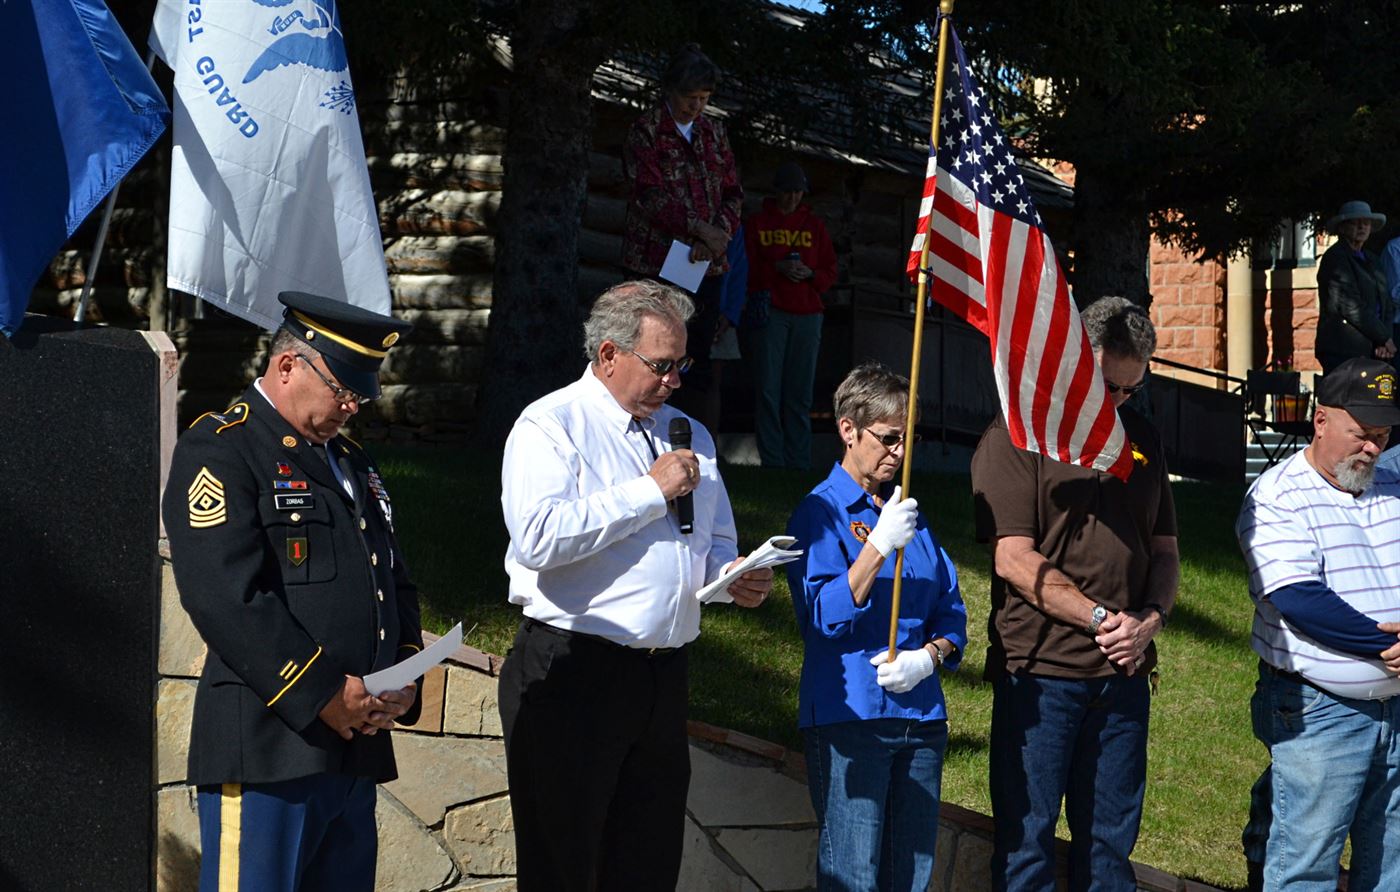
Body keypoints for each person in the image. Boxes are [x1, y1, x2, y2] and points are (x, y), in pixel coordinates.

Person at [496, 279, 775, 890]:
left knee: (645, 867)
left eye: (683, 364)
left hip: (662, 677)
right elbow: (538, 538)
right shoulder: (551, 425)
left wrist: (733, 579)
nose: (675, 380)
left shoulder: (689, 434)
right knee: (563, 868)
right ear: (608, 355)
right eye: (662, 365)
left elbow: (713, 542)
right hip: (573, 672)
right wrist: (650, 492)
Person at [162, 291, 423, 892]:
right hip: (270, 746)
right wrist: (324, 691)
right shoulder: (224, 447)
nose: (352, 407)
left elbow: (393, 582)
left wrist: (404, 678)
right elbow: (225, 595)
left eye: (361, 395)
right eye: (343, 390)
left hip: (354, 750)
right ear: (288, 367)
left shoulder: (350, 462)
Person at [971, 296, 1179, 892]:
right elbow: (1013, 558)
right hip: (1041, 673)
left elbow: (1164, 549)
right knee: (1027, 842)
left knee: (1110, 848)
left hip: (1124, 674)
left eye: (1130, 391)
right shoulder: (1018, 433)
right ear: (1076, 363)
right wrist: (1101, 618)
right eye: (1108, 388)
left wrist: (1150, 620)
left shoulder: (1143, 437)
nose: (1117, 404)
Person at [786, 362, 967, 891]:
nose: (899, 453)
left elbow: (951, 608)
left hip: (921, 715)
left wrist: (927, 657)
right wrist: (876, 546)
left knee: (909, 876)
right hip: (852, 717)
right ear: (848, 429)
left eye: (907, 440)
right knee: (853, 875)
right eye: (888, 439)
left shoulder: (908, 512)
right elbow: (824, 616)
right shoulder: (819, 512)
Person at [1236, 356, 1400, 891]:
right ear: (1321, 420)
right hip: (1319, 708)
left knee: (1393, 861)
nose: (1372, 447)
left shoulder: (1391, 482)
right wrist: (1386, 648)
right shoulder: (1277, 496)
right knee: (1306, 860)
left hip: (1395, 709)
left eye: (1382, 434)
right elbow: (1298, 598)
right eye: (1361, 434)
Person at [622, 43, 744, 418]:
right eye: (690, 97)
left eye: (704, 98)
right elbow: (648, 194)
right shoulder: (646, 131)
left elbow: (732, 192)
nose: (697, 106)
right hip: (656, 263)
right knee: (654, 352)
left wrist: (716, 235)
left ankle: (696, 446)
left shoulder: (714, 133)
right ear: (670, 91)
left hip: (706, 265)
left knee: (698, 357)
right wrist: (697, 229)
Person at [746, 161, 838, 469]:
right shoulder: (758, 223)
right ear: (777, 191)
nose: (793, 198)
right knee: (768, 390)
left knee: (799, 393)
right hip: (771, 311)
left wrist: (810, 273)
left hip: (808, 314)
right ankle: (772, 462)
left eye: (799, 192)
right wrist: (776, 268)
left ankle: (799, 464)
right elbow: (745, 269)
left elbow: (830, 271)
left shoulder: (814, 227)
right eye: (788, 191)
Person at [1315, 200, 1393, 374]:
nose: (1362, 227)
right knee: (1344, 400)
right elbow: (1350, 306)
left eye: (1366, 223)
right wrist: (1383, 337)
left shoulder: (1372, 260)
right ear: (1342, 228)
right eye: (1355, 222)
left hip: (1374, 349)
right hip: (1343, 350)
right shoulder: (1335, 258)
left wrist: (1383, 341)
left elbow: (1387, 303)